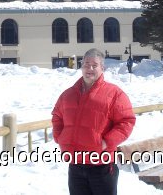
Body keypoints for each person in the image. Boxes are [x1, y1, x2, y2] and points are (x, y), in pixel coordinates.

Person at [52, 48, 136, 195]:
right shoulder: (68, 94)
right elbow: (57, 116)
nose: (89, 68)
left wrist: (107, 141)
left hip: (102, 166)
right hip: (75, 165)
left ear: (102, 68)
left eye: (94, 65)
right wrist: (60, 138)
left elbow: (126, 121)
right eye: (86, 64)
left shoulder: (114, 93)